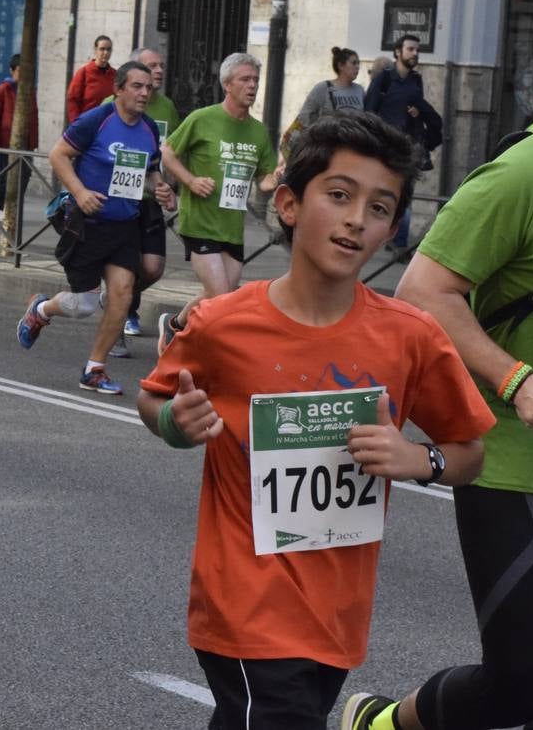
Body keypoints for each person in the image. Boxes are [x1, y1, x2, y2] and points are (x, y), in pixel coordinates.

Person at [137, 112, 493, 730]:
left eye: (380, 208)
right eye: (339, 195)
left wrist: (419, 460)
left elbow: (470, 452)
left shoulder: (410, 338)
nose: (358, 218)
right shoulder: (222, 324)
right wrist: (174, 421)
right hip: (243, 603)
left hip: (336, 611)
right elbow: (154, 400)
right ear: (289, 204)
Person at [347, 2, 533, 730]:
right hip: (521, 469)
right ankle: (384, 722)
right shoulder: (525, 172)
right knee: (525, 683)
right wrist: (517, 379)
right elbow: (423, 291)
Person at [16, 61, 165, 395]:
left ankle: (94, 369)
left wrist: (161, 188)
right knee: (83, 305)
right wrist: (80, 193)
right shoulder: (97, 121)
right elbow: (58, 155)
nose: (144, 93)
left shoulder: (150, 129)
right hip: (89, 225)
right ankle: (41, 309)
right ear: (119, 89)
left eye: (148, 88)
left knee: (122, 295)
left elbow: (151, 172)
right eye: (137, 86)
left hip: (125, 225)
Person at [159, 52, 278, 324]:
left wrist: (276, 178)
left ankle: (174, 325)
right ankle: (206, 356)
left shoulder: (258, 131)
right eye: (245, 79)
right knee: (222, 299)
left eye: (256, 80)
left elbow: (264, 181)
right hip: (200, 222)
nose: (252, 86)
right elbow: (167, 151)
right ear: (227, 83)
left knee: (217, 296)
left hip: (231, 228)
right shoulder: (202, 118)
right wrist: (190, 181)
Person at [100, 46, 182, 356]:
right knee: (124, 271)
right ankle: (116, 326)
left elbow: (170, 152)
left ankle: (120, 303)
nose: (157, 72)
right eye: (150, 67)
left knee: (153, 267)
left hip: (149, 197)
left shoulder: (166, 109)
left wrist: (168, 186)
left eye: (161, 66)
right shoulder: (109, 107)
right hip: (118, 201)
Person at [365, 34, 442, 249]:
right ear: (398, 52)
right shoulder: (385, 78)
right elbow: (369, 110)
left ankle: (399, 243)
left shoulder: (416, 80)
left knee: (404, 193)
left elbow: (418, 106)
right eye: (410, 49)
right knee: (382, 191)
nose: (415, 53)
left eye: (417, 50)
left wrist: (417, 113)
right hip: (384, 146)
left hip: (408, 147)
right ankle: (380, 235)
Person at [0, 53, 39, 222]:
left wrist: (34, 142)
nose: (22, 75)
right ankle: (0, 207)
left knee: (25, 175)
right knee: (6, 176)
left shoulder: (30, 90)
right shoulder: (3, 90)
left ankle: (14, 206)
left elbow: (34, 117)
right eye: (19, 71)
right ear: (12, 70)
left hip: (26, 143)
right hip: (7, 142)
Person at [284, 47, 365, 157]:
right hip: (328, 148)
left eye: (358, 64)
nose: (358, 67)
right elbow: (305, 116)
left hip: (352, 146)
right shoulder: (323, 88)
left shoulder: (359, 90)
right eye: (354, 63)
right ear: (341, 66)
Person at [65, 35, 115, 124]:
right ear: (95, 50)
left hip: (107, 125)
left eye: (109, 49)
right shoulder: (83, 72)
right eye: (102, 49)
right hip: (86, 124)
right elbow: (72, 100)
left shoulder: (115, 74)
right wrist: (76, 123)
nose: (105, 52)